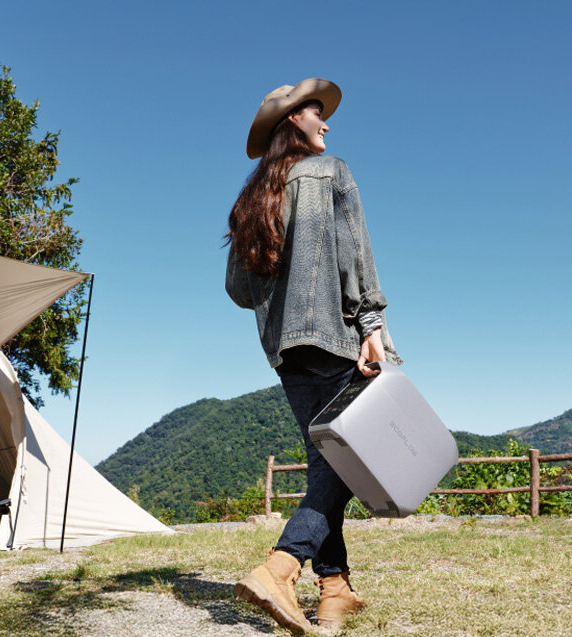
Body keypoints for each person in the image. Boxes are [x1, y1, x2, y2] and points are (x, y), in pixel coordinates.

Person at [225, 78, 401, 634]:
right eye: (314, 112)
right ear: (290, 124)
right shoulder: (331, 173)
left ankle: (335, 589)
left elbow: (239, 290)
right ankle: (281, 566)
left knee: (330, 461)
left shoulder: (252, 200)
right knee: (351, 460)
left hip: (284, 349)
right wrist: (371, 322)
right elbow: (354, 253)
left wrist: (284, 286)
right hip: (334, 337)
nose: (325, 122)